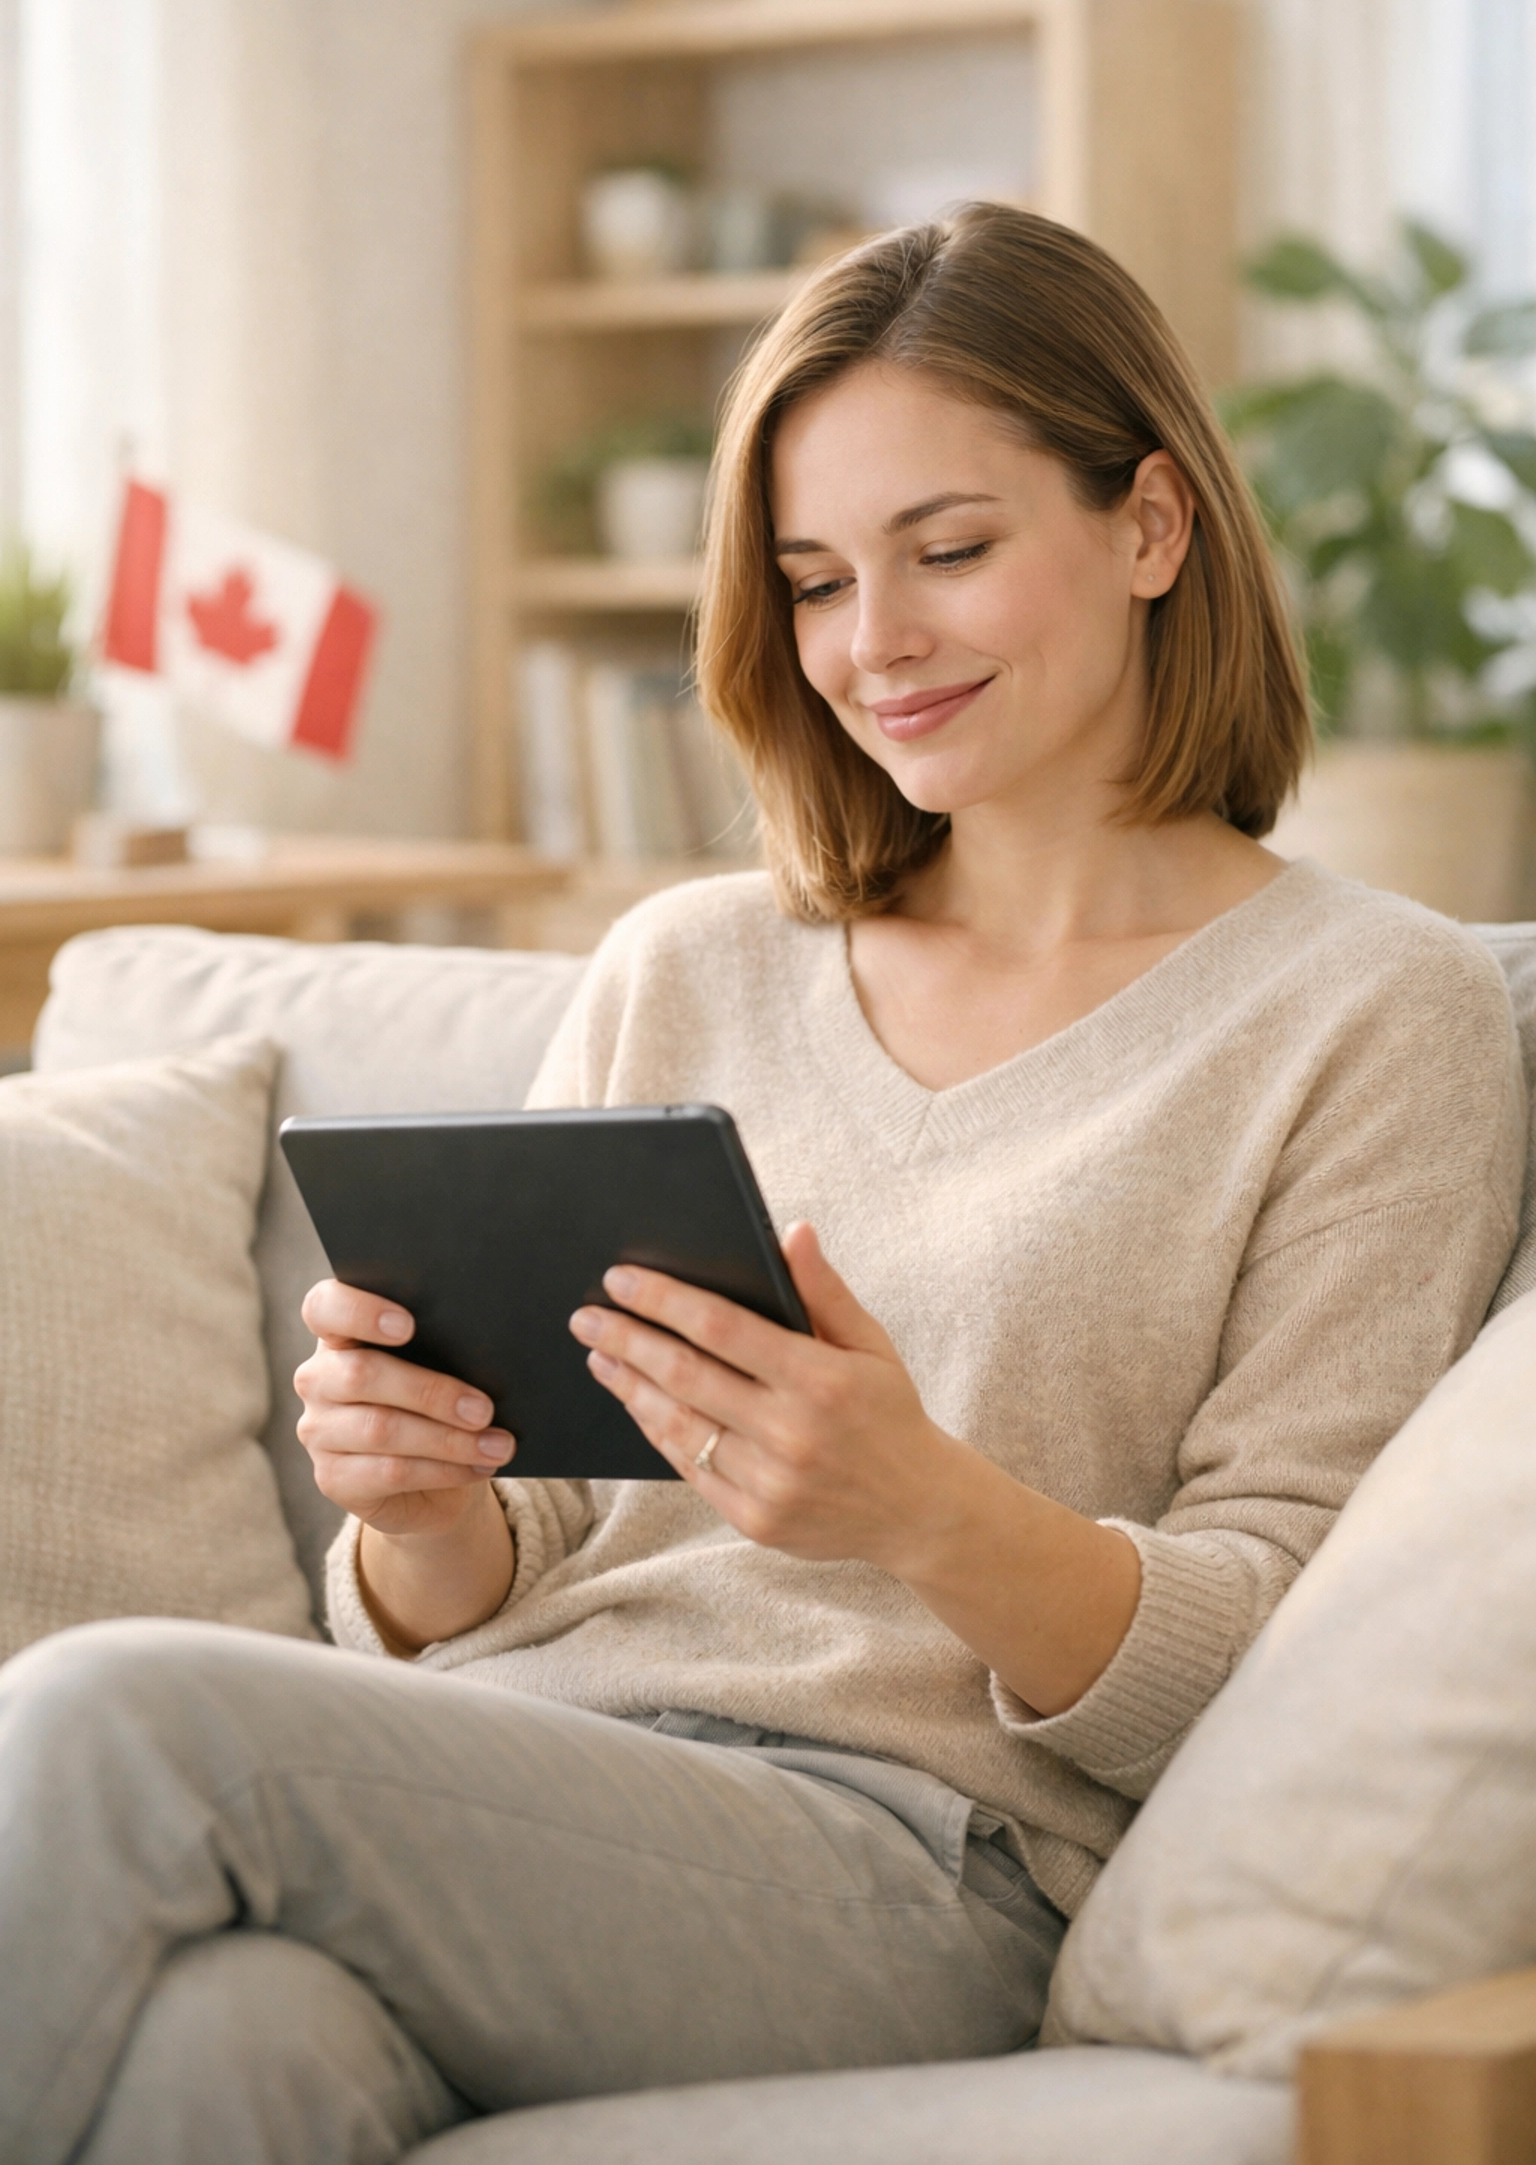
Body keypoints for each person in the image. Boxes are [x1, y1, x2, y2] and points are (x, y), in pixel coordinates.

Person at [0, 205, 1524, 2165]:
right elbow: (510, 1558)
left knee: (115, 1717)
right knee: (231, 2048)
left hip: (926, 1859)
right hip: (534, 1766)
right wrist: (416, 1515)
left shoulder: (1372, 1012)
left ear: (1152, 526)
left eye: (948, 551)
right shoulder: (691, 965)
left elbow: (1272, 1650)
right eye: (815, 581)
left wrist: (923, 1510)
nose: (873, 643)